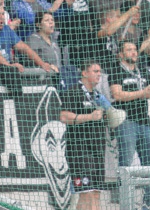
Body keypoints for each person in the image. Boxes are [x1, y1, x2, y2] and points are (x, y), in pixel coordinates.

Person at [109, 42, 150, 210]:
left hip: (144, 121)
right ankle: (125, 202)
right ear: (120, 54)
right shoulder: (116, 70)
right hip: (126, 122)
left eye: (134, 50)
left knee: (149, 163)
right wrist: (143, 93)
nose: (133, 53)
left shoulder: (142, 70)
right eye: (129, 50)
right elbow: (117, 95)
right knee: (126, 163)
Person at [60, 61, 108, 210]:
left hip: (98, 149)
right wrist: (89, 117)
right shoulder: (73, 92)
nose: (99, 74)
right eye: (95, 71)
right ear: (84, 73)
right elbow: (63, 116)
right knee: (85, 193)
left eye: (100, 71)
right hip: (80, 149)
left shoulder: (98, 96)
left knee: (95, 193)